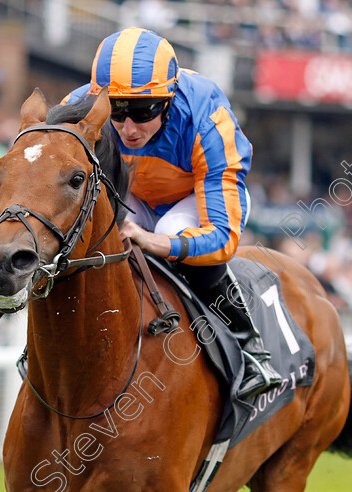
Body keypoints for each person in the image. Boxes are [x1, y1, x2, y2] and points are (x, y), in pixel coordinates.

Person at [66, 27, 282, 399]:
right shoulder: (82, 104)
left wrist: (154, 240)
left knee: (170, 227)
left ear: (167, 100)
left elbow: (223, 239)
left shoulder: (208, 119)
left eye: (142, 111)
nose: (128, 127)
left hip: (192, 199)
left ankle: (249, 348)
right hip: (132, 193)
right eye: (116, 111)